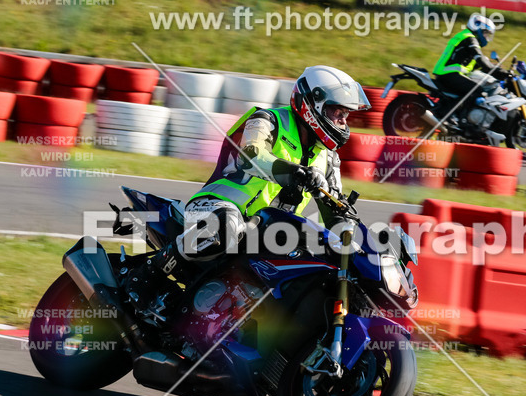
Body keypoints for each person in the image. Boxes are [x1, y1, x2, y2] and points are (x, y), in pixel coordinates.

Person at [126, 65, 369, 318]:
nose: (342, 121)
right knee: (227, 226)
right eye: (336, 112)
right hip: (216, 207)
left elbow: (335, 207)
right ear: (312, 104)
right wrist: (294, 172)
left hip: (269, 230)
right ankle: (147, 276)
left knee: (313, 263)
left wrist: (351, 232)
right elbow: (251, 155)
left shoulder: (329, 158)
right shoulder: (268, 120)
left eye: (345, 115)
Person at [431, 13, 510, 104]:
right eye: (486, 33)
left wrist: (496, 68)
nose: (486, 37)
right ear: (477, 28)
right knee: (479, 92)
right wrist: (503, 73)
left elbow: (478, 64)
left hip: (446, 74)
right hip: (449, 75)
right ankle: (456, 113)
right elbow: (480, 59)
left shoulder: (465, 37)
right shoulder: (470, 39)